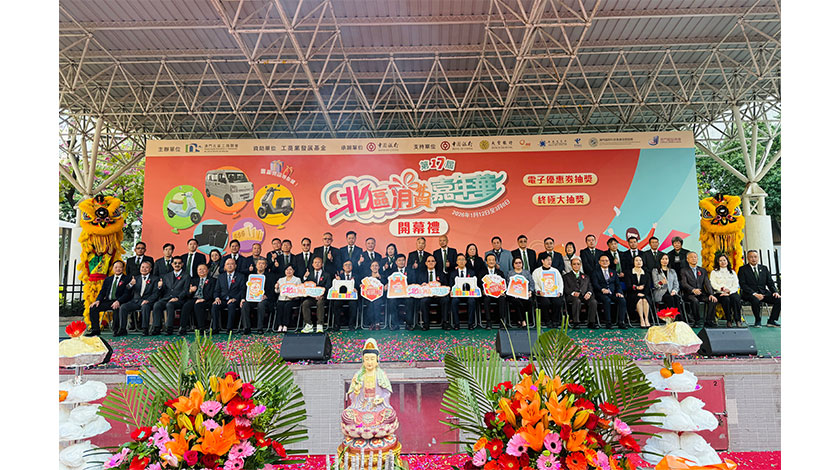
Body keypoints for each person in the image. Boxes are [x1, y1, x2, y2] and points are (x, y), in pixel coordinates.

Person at [340, 339, 399, 442]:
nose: (369, 362)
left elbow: (386, 393)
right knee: (347, 415)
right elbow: (352, 396)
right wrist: (356, 392)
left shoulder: (381, 374)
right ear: (363, 360)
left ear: (377, 360)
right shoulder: (358, 375)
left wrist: (382, 399)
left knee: (390, 414)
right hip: (361, 407)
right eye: (367, 359)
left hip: (377, 408)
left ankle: (369, 429)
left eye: (372, 359)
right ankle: (365, 428)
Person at [87, 260, 131, 336]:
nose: (118, 269)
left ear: (123, 268)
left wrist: (118, 301)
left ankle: (116, 330)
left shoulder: (127, 279)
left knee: (116, 308)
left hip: (120, 301)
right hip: (108, 301)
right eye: (116, 267)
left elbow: (127, 294)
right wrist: (98, 300)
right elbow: (102, 291)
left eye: (120, 267)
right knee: (93, 307)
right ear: (113, 268)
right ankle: (95, 330)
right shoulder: (108, 279)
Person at [738, 249, 781, 327]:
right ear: (747, 258)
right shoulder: (742, 269)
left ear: (758, 258)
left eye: (755, 257)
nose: (753, 259)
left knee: (778, 299)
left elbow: (770, 282)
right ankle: (758, 320)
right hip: (749, 293)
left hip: (763, 292)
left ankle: (771, 321)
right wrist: (754, 294)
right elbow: (743, 284)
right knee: (755, 300)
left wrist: (775, 292)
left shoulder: (764, 268)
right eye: (751, 257)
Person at [117, 260, 160, 336]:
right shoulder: (135, 278)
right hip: (136, 301)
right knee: (123, 307)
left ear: (150, 269)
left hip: (147, 302)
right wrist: (131, 284)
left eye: (146, 267)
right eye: (142, 267)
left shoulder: (155, 279)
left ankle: (145, 329)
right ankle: (122, 329)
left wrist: (148, 300)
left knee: (145, 307)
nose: (144, 269)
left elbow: (156, 293)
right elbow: (127, 289)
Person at [151, 256, 190, 335]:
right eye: (175, 263)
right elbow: (163, 290)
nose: (177, 265)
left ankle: (169, 328)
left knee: (170, 305)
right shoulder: (166, 276)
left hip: (179, 300)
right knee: (157, 304)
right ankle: (157, 327)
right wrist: (160, 287)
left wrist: (177, 297)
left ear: (182, 264)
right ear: (172, 264)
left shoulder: (186, 276)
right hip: (167, 298)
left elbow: (186, 290)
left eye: (179, 263)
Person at [680, 251, 718, 328]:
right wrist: (693, 290)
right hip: (689, 294)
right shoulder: (684, 270)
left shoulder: (702, 270)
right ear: (687, 260)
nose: (693, 259)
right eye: (691, 257)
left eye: (695, 257)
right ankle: (696, 321)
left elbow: (707, 283)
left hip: (701, 294)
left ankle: (709, 321)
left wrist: (711, 294)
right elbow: (684, 283)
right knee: (695, 301)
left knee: (712, 300)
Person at [240, 258, 278, 334]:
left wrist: (266, 296)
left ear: (266, 266)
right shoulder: (250, 276)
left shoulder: (271, 276)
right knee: (245, 304)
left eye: (263, 263)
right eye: (259, 263)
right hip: (251, 298)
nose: (260, 265)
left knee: (261, 304)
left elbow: (272, 290)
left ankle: (260, 328)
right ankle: (246, 328)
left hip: (264, 300)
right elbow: (244, 288)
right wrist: (243, 298)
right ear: (256, 265)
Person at [591, 254, 628, 329]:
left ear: (609, 262)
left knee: (622, 300)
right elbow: (595, 284)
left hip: (612, 293)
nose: (605, 262)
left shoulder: (613, 272)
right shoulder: (595, 272)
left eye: (606, 261)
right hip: (600, 293)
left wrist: (619, 292)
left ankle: (621, 322)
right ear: (599, 262)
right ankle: (608, 322)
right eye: (602, 261)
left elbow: (617, 284)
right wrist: (602, 289)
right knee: (607, 300)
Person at [562, 257, 598, 329]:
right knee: (577, 301)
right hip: (572, 296)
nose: (576, 266)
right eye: (574, 264)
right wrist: (573, 293)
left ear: (580, 265)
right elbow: (565, 288)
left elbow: (590, 287)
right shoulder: (566, 276)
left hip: (584, 295)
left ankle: (591, 322)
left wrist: (589, 293)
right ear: (571, 265)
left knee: (593, 301)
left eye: (578, 264)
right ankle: (576, 322)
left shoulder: (586, 276)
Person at [211, 258, 245, 334]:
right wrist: (217, 298)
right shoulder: (221, 277)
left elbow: (242, 290)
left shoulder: (241, 276)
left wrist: (235, 298)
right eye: (228, 264)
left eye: (232, 264)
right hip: (223, 299)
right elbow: (216, 290)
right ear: (225, 266)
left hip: (234, 300)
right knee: (215, 306)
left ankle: (229, 328)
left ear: (235, 266)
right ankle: (215, 328)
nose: (230, 266)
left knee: (231, 305)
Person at [710, 253, 744, 328]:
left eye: (724, 260)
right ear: (717, 262)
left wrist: (729, 292)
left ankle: (738, 320)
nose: (723, 262)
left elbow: (736, 285)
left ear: (727, 261)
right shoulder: (714, 272)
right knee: (726, 300)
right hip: (719, 293)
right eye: (720, 260)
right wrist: (722, 289)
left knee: (736, 299)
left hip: (731, 292)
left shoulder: (732, 272)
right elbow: (713, 284)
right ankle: (729, 320)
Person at [180, 263, 215, 335]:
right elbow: (188, 295)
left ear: (207, 270)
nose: (202, 271)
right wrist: (190, 291)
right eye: (200, 269)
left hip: (207, 300)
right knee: (186, 305)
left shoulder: (212, 280)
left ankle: (201, 328)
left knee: (198, 305)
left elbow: (212, 292)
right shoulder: (193, 280)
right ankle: (183, 327)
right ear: (197, 271)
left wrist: (204, 299)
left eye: (204, 269)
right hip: (194, 298)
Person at [532, 252, 565, 327]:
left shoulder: (555, 271)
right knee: (545, 303)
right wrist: (539, 291)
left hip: (554, 293)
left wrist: (559, 292)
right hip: (542, 294)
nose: (549, 262)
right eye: (547, 260)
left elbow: (560, 283)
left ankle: (555, 320)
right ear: (542, 261)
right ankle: (547, 320)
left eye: (550, 260)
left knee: (557, 302)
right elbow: (535, 283)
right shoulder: (536, 272)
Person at [300, 257, 330, 333]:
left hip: (322, 297)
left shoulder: (327, 275)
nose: (317, 264)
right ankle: (308, 324)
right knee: (305, 303)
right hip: (311, 297)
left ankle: (320, 324)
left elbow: (328, 287)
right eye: (315, 262)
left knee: (320, 303)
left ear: (322, 264)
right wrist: (305, 277)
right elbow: (303, 286)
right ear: (312, 264)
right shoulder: (309, 274)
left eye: (319, 262)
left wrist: (321, 295)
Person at [448, 254, 478, 329]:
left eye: (463, 259)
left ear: (465, 261)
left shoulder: (471, 272)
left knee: (472, 301)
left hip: (469, 295)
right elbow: (451, 285)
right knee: (454, 301)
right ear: (456, 262)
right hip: (457, 295)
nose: (461, 261)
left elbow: (474, 285)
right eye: (459, 259)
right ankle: (456, 324)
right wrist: (451, 291)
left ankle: (470, 324)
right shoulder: (453, 273)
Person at [416, 255, 445, 330]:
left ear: (435, 263)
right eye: (428, 261)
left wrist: (440, 285)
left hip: (438, 296)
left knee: (446, 300)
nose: (431, 263)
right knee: (423, 301)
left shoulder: (440, 273)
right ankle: (426, 324)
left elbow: (445, 284)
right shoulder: (421, 274)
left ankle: (445, 323)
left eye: (432, 261)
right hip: (427, 295)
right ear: (426, 263)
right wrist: (421, 286)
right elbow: (417, 286)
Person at [385, 254, 412, 331]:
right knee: (391, 301)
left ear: (405, 261)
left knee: (410, 301)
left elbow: (413, 281)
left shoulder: (410, 271)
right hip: (395, 295)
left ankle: (409, 324)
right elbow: (387, 281)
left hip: (406, 295)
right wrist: (386, 284)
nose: (401, 262)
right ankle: (395, 324)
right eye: (399, 260)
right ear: (396, 262)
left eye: (403, 260)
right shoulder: (391, 271)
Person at [331, 260, 360, 330]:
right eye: (346, 265)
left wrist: (356, 289)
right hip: (341, 297)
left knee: (353, 304)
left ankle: (351, 324)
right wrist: (337, 281)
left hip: (352, 298)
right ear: (343, 267)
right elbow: (334, 288)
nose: (348, 266)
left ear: (352, 267)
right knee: (336, 303)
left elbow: (359, 286)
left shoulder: (356, 276)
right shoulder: (339, 276)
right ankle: (337, 324)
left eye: (350, 265)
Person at [506, 257, 535, 328]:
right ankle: (523, 320)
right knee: (517, 302)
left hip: (526, 294)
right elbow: (508, 285)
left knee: (529, 301)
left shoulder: (527, 272)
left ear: (522, 264)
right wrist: (513, 293)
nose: (518, 264)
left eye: (520, 263)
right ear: (513, 264)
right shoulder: (510, 273)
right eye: (516, 263)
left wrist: (530, 291)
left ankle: (520, 319)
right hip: (514, 295)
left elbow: (532, 283)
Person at [480, 253, 506, 328]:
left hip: (498, 294)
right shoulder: (482, 272)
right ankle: (488, 322)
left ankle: (502, 322)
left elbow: (503, 284)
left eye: (493, 260)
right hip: (487, 294)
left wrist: (503, 292)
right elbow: (479, 283)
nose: (491, 262)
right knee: (486, 299)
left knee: (502, 299)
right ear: (486, 262)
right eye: (489, 260)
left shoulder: (500, 272)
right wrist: (483, 291)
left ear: (495, 262)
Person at [274, 265, 301, 333]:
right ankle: (280, 325)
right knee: (279, 305)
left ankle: (285, 325)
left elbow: (300, 291)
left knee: (287, 305)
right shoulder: (281, 280)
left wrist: (293, 296)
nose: (288, 271)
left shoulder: (297, 280)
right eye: (287, 270)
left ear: (293, 271)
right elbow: (277, 292)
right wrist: (276, 288)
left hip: (293, 299)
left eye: (290, 269)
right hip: (282, 298)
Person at [628, 255, 652, 328]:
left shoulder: (646, 273)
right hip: (632, 294)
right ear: (633, 262)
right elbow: (629, 286)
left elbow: (648, 287)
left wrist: (643, 293)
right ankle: (641, 319)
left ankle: (646, 319)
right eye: (636, 260)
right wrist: (636, 288)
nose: (639, 262)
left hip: (644, 294)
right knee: (639, 300)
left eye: (640, 260)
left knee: (645, 300)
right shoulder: (629, 273)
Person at [362, 260, 386, 330]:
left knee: (376, 303)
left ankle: (377, 323)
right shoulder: (366, 278)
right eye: (373, 266)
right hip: (368, 297)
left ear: (379, 267)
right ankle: (372, 323)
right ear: (370, 267)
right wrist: (362, 285)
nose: (374, 267)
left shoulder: (383, 276)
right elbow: (363, 287)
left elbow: (385, 286)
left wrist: (380, 278)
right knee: (370, 303)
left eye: (376, 265)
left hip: (379, 297)